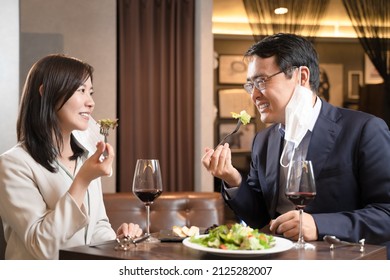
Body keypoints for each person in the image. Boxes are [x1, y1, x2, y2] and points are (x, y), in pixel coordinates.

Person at [202, 33, 390, 258]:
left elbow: (385, 213)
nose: (254, 95)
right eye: (250, 85)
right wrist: (233, 178)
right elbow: (259, 218)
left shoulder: (365, 130)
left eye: (261, 81)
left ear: (302, 76)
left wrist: (320, 225)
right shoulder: (263, 140)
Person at [0, 54, 142, 259]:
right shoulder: (14, 164)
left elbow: (97, 226)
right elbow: (42, 246)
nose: (91, 102)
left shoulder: (86, 158)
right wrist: (82, 180)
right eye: (81, 90)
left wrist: (117, 241)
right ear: (46, 92)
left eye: (91, 92)